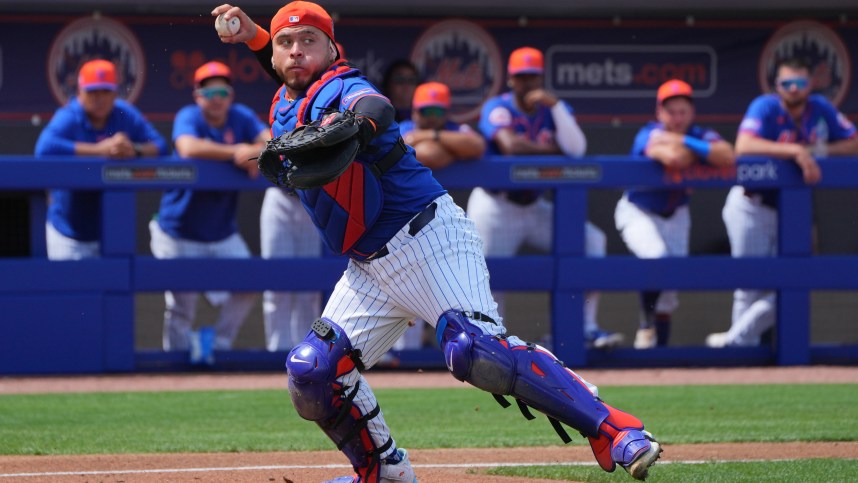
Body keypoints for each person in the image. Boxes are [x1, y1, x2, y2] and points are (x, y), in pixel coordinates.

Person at [212, 3, 661, 481]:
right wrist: (254, 34)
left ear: (332, 48)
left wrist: (356, 125)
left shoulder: (343, 86)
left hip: (427, 237)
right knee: (313, 371)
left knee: (476, 351)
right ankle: (383, 472)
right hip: (368, 268)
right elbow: (281, 58)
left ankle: (614, 428)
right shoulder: (286, 93)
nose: (297, 51)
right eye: (287, 43)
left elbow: (375, 106)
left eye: (310, 41)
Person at [467, 46, 622, 350]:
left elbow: (576, 150)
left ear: (541, 78)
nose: (528, 84)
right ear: (511, 79)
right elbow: (511, 146)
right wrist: (554, 152)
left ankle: (586, 328)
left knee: (592, 241)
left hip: (534, 205)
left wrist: (558, 107)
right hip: (496, 205)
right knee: (489, 274)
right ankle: (491, 340)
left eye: (533, 77)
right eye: (522, 77)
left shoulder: (553, 110)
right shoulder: (498, 107)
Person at [707, 57, 858, 348]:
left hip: (791, 211)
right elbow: (745, 145)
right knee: (749, 284)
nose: (793, 89)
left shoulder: (819, 108)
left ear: (810, 85)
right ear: (777, 86)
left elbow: (854, 142)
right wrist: (795, 151)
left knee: (796, 281)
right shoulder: (765, 105)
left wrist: (817, 149)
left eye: (799, 83)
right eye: (786, 83)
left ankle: (736, 342)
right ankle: (740, 351)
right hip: (750, 204)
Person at [149, 61, 265, 356]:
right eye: (209, 91)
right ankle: (176, 363)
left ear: (231, 94)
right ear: (197, 95)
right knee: (181, 305)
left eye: (222, 91)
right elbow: (187, 147)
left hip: (221, 232)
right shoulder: (190, 115)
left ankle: (220, 344)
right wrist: (237, 152)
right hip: (178, 231)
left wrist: (257, 151)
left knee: (250, 283)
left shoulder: (241, 117)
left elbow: (270, 141)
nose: (217, 97)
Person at [615, 79, 735, 349]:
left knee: (669, 292)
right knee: (656, 258)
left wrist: (683, 140)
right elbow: (673, 159)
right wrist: (700, 152)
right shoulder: (648, 132)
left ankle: (661, 358)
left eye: (683, 111)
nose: (677, 118)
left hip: (677, 212)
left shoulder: (696, 134)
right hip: (639, 210)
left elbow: (727, 155)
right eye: (671, 112)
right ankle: (646, 328)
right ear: (659, 112)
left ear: (691, 112)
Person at [34, 59, 168, 260]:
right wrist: (98, 149)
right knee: (72, 290)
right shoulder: (70, 115)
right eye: (93, 92)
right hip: (69, 229)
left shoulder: (124, 113)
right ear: (80, 93)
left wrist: (135, 150)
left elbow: (160, 145)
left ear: (115, 93)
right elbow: (44, 148)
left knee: (112, 287)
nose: (100, 99)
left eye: (105, 92)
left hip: (111, 229)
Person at [392, 81, 486, 352]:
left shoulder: (454, 130)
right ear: (415, 112)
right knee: (407, 292)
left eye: (437, 111)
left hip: (446, 222)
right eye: (426, 111)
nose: (432, 118)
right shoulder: (401, 129)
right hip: (404, 221)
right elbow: (424, 155)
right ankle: (402, 358)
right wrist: (441, 144)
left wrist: (434, 137)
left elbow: (475, 145)